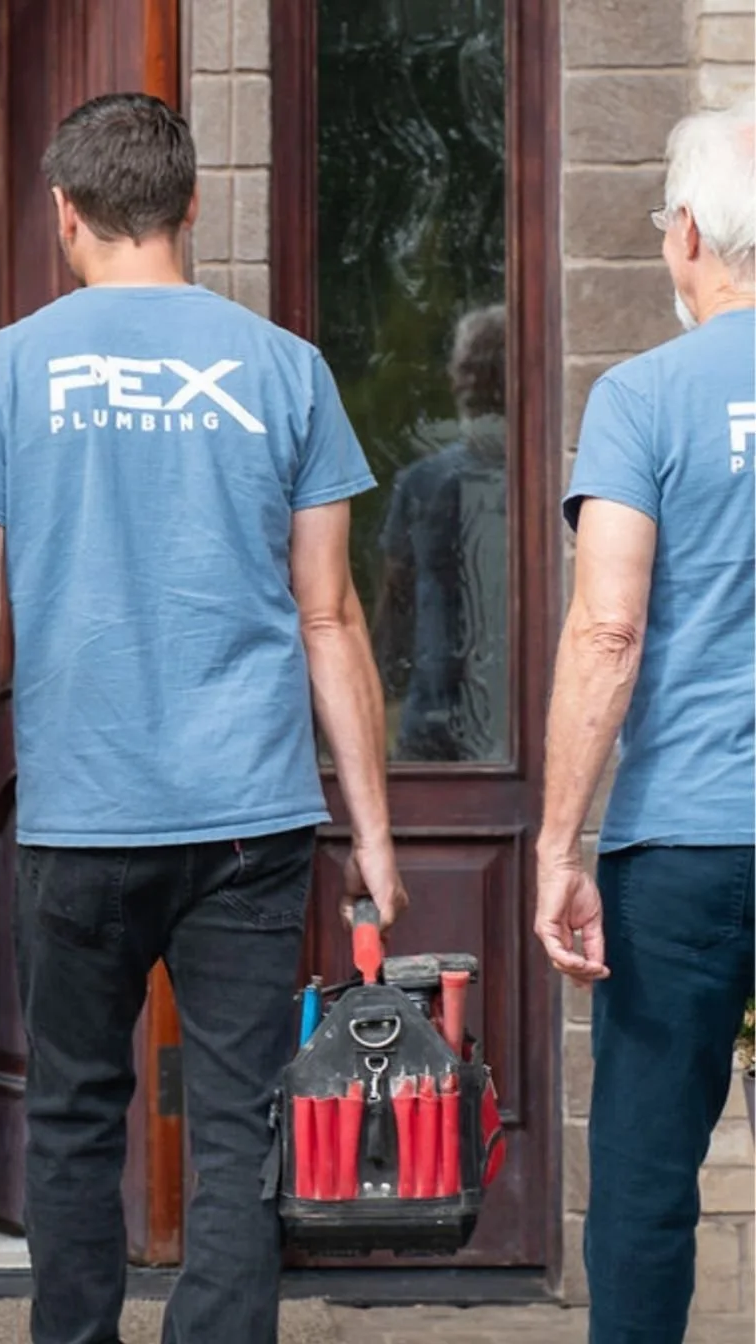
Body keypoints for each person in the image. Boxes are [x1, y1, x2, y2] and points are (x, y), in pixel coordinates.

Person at [0, 94, 408, 1342]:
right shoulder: (286, 368)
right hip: (252, 820)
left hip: (79, 816)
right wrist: (378, 836)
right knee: (238, 1121)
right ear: (191, 207)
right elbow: (330, 616)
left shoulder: (4, 370)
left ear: (65, 215)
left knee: (73, 1113)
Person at [534, 97, 756, 1344]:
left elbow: (608, 633)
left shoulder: (642, 397)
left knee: (643, 1182)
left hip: (678, 851)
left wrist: (561, 847)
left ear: (684, 236)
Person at [374, 304, 509, 762]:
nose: (469, 380)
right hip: (428, 718)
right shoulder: (420, 483)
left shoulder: (542, 482)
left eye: (484, 367)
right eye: (465, 367)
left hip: (514, 724)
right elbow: (393, 605)